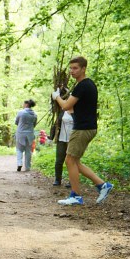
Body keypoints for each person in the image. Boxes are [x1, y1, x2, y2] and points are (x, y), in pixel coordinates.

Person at [52, 56, 114, 206]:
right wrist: (66, 98)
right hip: (86, 127)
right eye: (71, 68)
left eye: (75, 68)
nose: (72, 71)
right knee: (74, 162)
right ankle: (102, 185)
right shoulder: (86, 85)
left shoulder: (83, 85)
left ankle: (76, 196)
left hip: (82, 129)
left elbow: (66, 107)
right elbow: (74, 109)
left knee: (69, 160)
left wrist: (57, 97)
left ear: (83, 69)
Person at [14, 99, 38, 172]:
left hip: (20, 134)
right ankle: (27, 167)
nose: (22, 105)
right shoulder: (34, 114)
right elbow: (34, 125)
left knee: (19, 149)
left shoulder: (21, 112)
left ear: (26, 105)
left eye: (23, 104)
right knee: (28, 151)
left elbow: (16, 122)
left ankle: (19, 163)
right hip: (30, 134)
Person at [52, 106, 73, 187]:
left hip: (73, 140)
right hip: (61, 139)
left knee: (71, 161)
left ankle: (71, 181)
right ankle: (57, 180)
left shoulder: (78, 112)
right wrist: (51, 137)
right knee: (59, 161)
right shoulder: (62, 111)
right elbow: (56, 124)